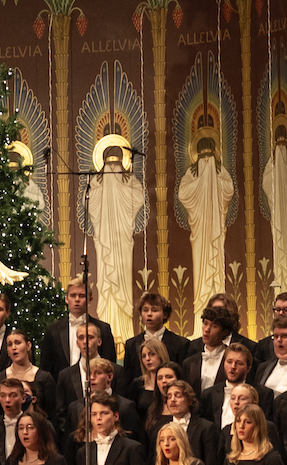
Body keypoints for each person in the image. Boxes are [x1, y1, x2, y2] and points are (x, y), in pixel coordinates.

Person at [86, 144, 146, 341]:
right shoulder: (100, 182)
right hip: (104, 241)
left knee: (121, 280)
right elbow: (92, 206)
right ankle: (107, 327)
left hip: (122, 240)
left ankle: (124, 330)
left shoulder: (119, 181)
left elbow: (138, 198)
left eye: (116, 163)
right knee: (106, 281)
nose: (113, 168)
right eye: (109, 164)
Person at [176, 128, 236, 315]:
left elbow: (229, 190)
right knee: (201, 270)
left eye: (210, 156)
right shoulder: (193, 174)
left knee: (217, 266)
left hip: (216, 229)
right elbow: (183, 194)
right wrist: (204, 180)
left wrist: (210, 178)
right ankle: (201, 311)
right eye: (204, 157)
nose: (207, 161)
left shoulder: (219, 172)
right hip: (201, 231)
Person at [40, 280, 115, 378]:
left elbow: (109, 364)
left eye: (82, 296)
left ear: (90, 300)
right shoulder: (53, 330)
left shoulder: (103, 328)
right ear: (66, 299)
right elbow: (46, 368)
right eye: (73, 295)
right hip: (62, 388)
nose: (77, 299)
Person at [123, 293, 188, 387]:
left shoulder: (181, 343)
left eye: (154, 310)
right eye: (145, 310)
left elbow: (182, 377)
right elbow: (128, 376)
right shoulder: (131, 344)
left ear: (165, 314)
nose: (149, 314)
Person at [0, 328, 56, 419]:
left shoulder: (44, 378)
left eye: (18, 343)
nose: (14, 347)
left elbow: (52, 414)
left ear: (28, 346)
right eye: (10, 344)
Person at [180, 306, 235, 393]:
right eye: (205, 323)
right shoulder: (189, 363)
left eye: (214, 326)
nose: (207, 329)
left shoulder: (232, 361)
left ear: (224, 332)